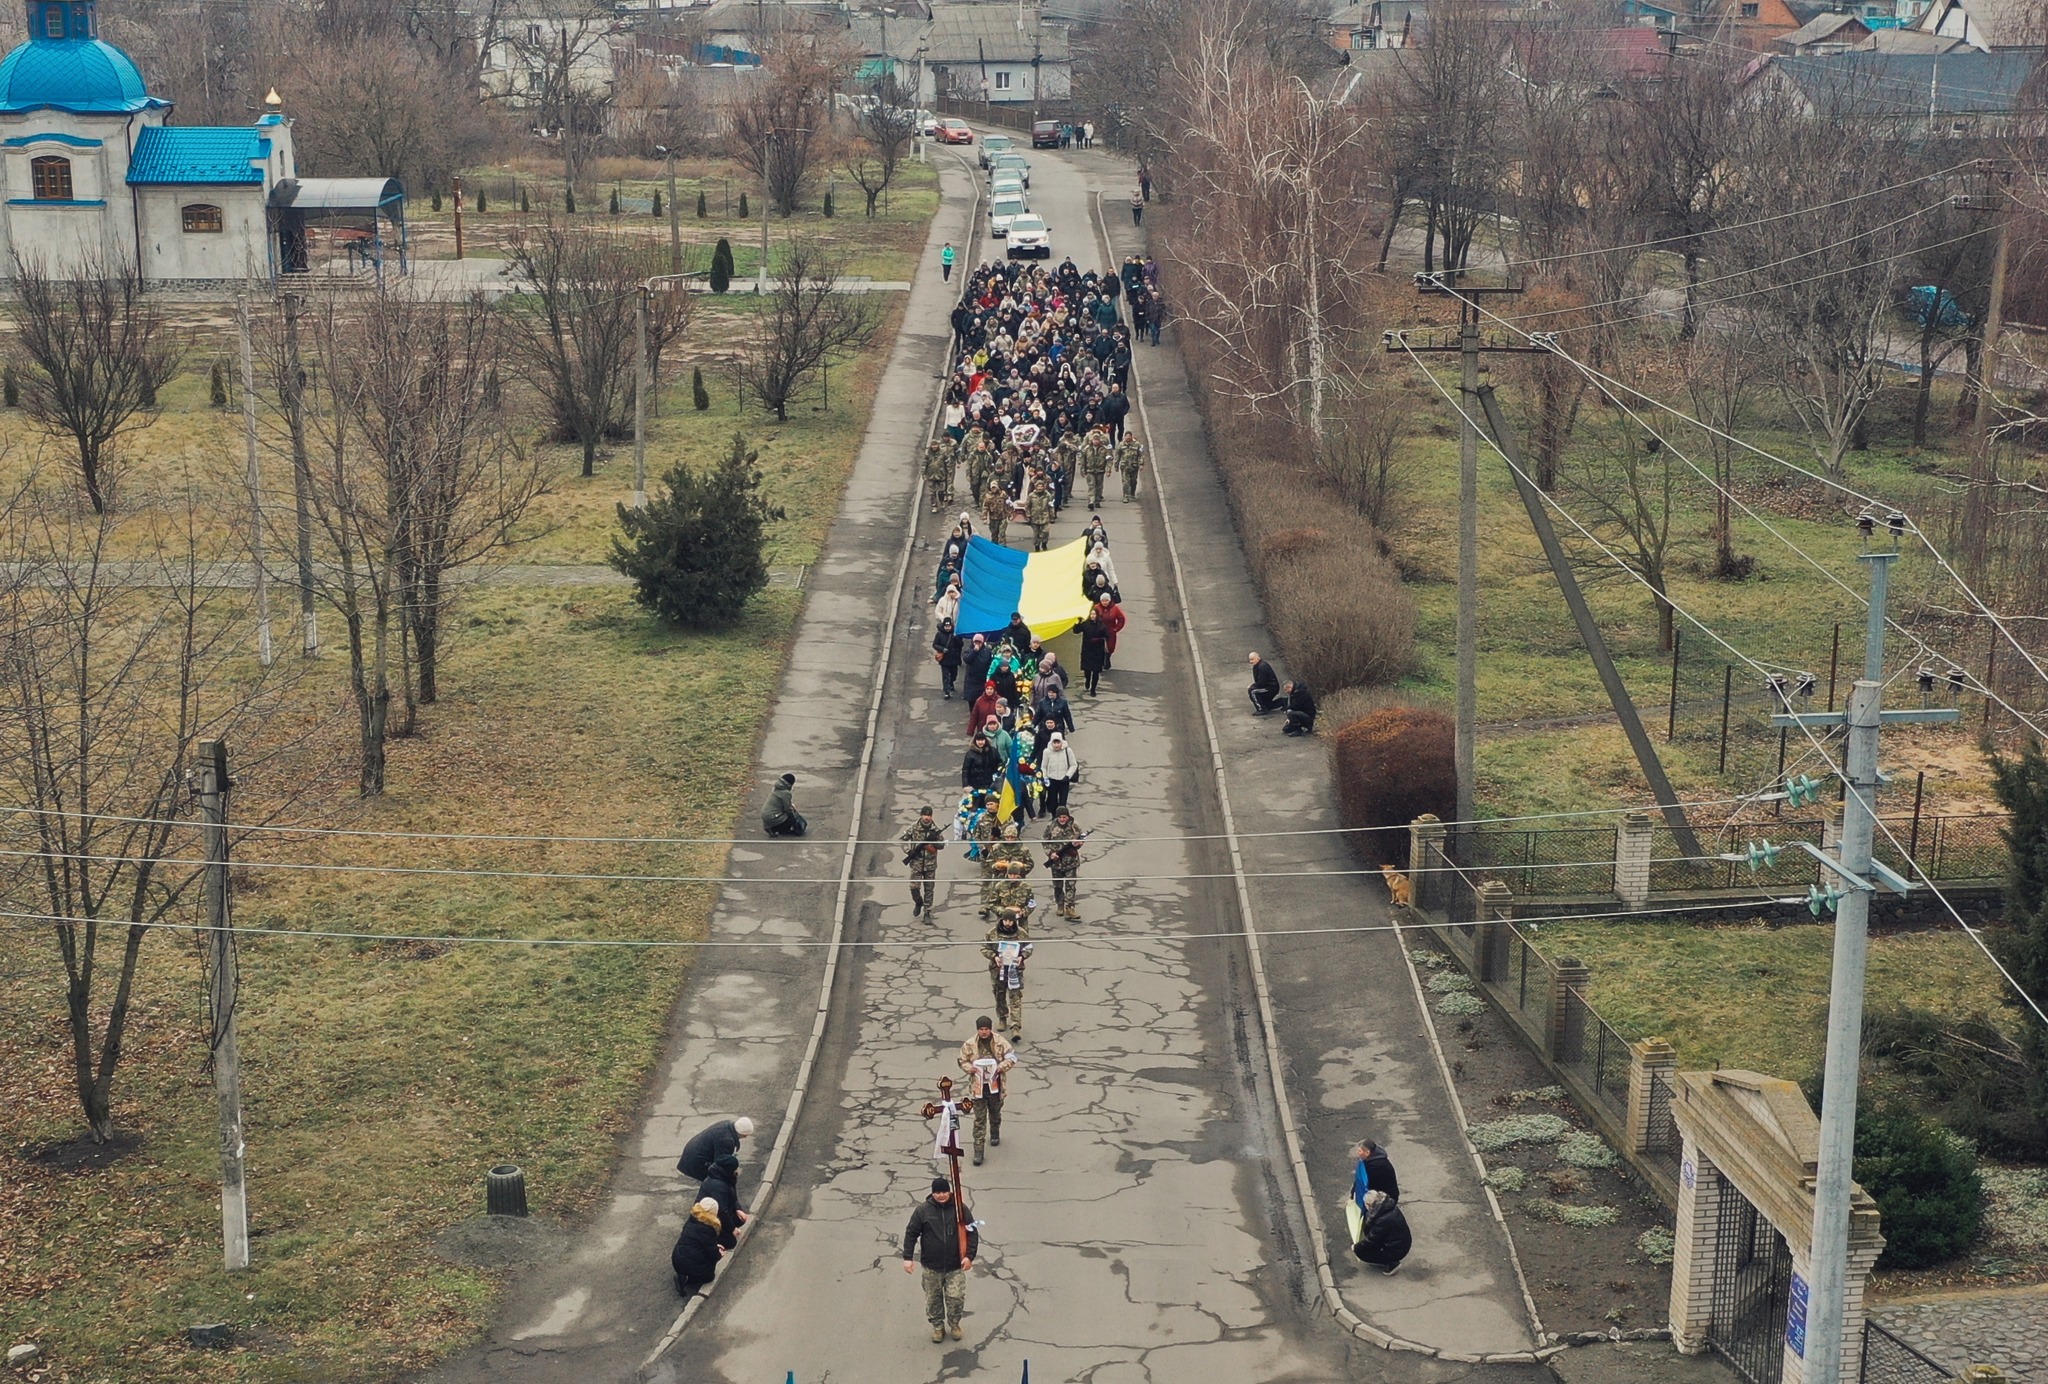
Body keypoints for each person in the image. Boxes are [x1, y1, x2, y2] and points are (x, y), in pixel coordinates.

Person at [903, 1177, 977, 1343]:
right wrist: (908, 1258)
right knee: (933, 1299)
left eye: (944, 1191)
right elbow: (911, 1233)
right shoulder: (923, 1211)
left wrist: (969, 1256)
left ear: (949, 1191)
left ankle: (955, 1324)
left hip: (955, 1266)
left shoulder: (960, 1209)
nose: (941, 1195)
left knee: (955, 1297)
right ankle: (938, 1327)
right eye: (938, 1192)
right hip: (931, 1267)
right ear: (932, 1193)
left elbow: (972, 1232)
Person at [957, 1016, 1015, 1165]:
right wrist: (970, 1069)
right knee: (979, 1120)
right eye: (981, 1029)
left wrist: (1002, 1066)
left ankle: (995, 1131)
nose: (984, 1032)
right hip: (978, 1088)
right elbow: (962, 1060)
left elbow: (1011, 1057)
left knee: (995, 1112)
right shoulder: (969, 1044)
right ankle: (978, 1150)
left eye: (986, 1029)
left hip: (996, 1086)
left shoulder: (1000, 1042)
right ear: (978, 1030)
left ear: (990, 1029)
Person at [985, 909, 1032, 1039]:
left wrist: (1022, 956)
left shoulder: (1021, 933)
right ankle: (1002, 1017)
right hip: (997, 969)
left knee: (1015, 998)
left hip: (1015, 971)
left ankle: (1016, 1026)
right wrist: (994, 957)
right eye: (1005, 920)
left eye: (1010, 921)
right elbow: (984, 947)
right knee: (999, 995)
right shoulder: (992, 933)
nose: (1007, 923)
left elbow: (1028, 947)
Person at [671, 1195, 727, 1297]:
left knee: (696, 1257)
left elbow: (700, 1243)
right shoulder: (707, 1228)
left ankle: (683, 1275)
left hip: (677, 1257)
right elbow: (712, 1252)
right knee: (709, 1276)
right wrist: (720, 1254)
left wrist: (715, 1245)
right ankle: (687, 1279)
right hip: (690, 1264)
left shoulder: (692, 1220)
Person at [678, 1115, 755, 1180]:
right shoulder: (727, 1140)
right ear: (743, 1134)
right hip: (695, 1163)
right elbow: (720, 1162)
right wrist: (731, 1174)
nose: (746, 1137)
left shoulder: (726, 1124)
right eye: (746, 1135)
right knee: (715, 1182)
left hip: (690, 1155)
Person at [1353, 1189, 1411, 1275]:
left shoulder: (1381, 1220)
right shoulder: (1388, 1207)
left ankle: (1392, 1263)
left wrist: (1356, 1247)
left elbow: (1370, 1240)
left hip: (1397, 1249)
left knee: (1361, 1252)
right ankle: (1385, 1259)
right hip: (1401, 1243)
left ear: (1369, 1205)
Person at [698, 1152, 748, 1249]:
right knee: (730, 1242)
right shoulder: (718, 1186)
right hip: (710, 1219)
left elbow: (731, 1196)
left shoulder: (724, 1178)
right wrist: (732, 1229)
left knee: (739, 1220)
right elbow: (722, 1211)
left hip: (718, 1214)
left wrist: (738, 1209)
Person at [902, 806, 945, 917]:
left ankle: (927, 912)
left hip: (930, 865)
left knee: (929, 889)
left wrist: (932, 843)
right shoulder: (914, 828)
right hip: (916, 863)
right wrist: (908, 851)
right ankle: (918, 902)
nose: (927, 818)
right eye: (925, 815)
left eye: (929, 815)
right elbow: (902, 840)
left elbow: (942, 845)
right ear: (921, 815)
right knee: (914, 888)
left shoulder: (935, 830)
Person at [1044, 808, 1084, 920]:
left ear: (1068, 816)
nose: (1062, 819)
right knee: (1058, 885)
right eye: (1060, 817)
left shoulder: (1074, 826)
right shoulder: (1050, 826)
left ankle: (1070, 907)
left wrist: (1078, 844)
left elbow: (1081, 839)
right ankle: (1060, 904)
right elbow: (1045, 842)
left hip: (1071, 861)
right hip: (1056, 862)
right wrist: (1050, 854)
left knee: (1071, 885)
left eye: (1064, 817)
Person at [1352, 1138, 1401, 1205]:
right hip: (1383, 1193)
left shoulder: (1376, 1166)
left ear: (1367, 1152)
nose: (1357, 1153)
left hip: (1387, 1199)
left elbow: (1369, 1186)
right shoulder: (1372, 1159)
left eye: (1359, 1151)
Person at [1074, 605, 1109, 697]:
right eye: (1091, 614)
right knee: (1087, 670)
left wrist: (1099, 639)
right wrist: (1077, 622)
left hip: (1098, 652)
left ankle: (1093, 689)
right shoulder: (1086, 624)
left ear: (1097, 615)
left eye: (1094, 614)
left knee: (1096, 671)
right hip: (1087, 650)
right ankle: (1087, 681)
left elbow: (1107, 636)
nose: (1093, 616)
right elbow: (1076, 631)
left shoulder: (1101, 626)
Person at [1039, 733, 1078, 815]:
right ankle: (1054, 817)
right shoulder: (1047, 752)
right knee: (1052, 802)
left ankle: (1062, 818)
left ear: (1061, 742)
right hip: (1052, 780)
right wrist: (1045, 778)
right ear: (1051, 742)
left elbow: (1073, 765)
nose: (1056, 745)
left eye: (1058, 742)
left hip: (1064, 781)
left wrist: (1068, 775)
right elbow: (1044, 767)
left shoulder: (1068, 751)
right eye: (1054, 743)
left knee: (1062, 803)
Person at [933, 617, 961, 699]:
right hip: (945, 659)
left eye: (949, 626)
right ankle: (947, 691)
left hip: (954, 659)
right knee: (945, 676)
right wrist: (942, 649)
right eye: (946, 626)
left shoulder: (955, 634)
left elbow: (960, 644)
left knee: (954, 674)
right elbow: (935, 644)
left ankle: (951, 682)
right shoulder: (939, 634)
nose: (947, 628)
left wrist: (956, 638)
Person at [1115, 430, 1143, 497]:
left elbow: (1141, 455)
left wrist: (1141, 464)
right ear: (1124, 437)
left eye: (1129, 436)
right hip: (1124, 466)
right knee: (1125, 482)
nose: (1128, 438)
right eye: (1126, 436)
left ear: (1131, 437)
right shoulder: (1121, 445)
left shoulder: (1137, 444)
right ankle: (1126, 496)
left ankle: (1132, 492)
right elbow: (1117, 455)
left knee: (1133, 481)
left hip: (1134, 466)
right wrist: (1116, 465)